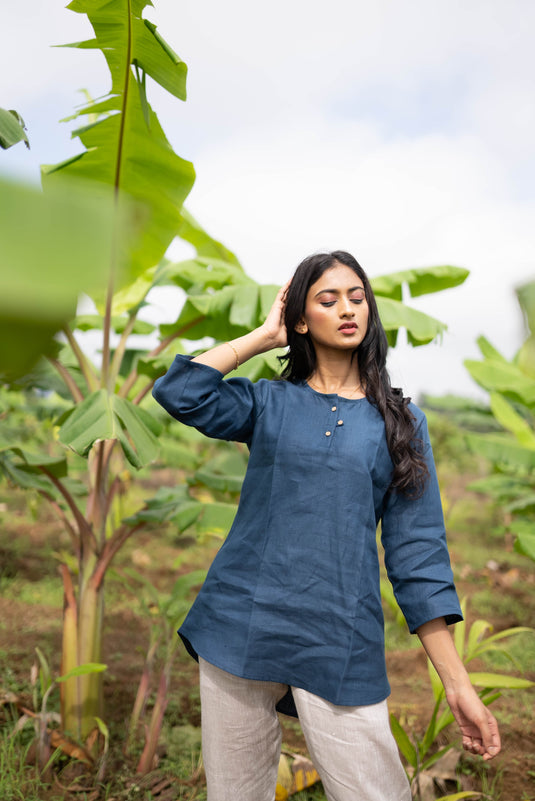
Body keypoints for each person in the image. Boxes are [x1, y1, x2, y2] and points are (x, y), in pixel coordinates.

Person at [152, 251, 501, 801]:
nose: (347, 310)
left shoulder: (402, 424)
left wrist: (457, 684)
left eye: (357, 298)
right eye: (327, 299)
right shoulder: (268, 402)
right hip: (241, 623)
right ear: (300, 319)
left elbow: (418, 555)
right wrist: (264, 338)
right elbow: (181, 392)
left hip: (339, 635)